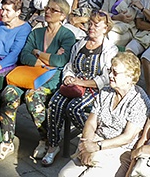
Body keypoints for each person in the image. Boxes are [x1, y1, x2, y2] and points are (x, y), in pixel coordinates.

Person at [0, 0, 77, 162]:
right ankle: (6, 140)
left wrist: (37, 52)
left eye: (54, 10)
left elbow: (61, 61)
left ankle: (46, 138)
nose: (48, 11)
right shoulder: (36, 32)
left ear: (63, 16)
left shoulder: (67, 35)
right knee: (9, 92)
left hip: (51, 79)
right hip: (27, 75)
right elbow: (24, 56)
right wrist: (46, 59)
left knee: (33, 96)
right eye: (47, 8)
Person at [40, 10, 118, 166]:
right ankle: (53, 145)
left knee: (74, 108)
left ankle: (93, 140)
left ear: (105, 28)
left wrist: (82, 83)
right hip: (73, 84)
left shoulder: (110, 49)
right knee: (55, 103)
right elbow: (70, 65)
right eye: (90, 24)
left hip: (94, 89)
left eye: (96, 25)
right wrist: (68, 77)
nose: (91, 27)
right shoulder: (80, 43)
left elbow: (106, 79)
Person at [58, 52, 150, 177]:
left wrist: (97, 146)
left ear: (129, 77)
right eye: (110, 71)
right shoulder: (106, 91)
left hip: (119, 151)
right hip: (96, 141)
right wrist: (86, 144)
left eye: (115, 73)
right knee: (64, 174)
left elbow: (127, 137)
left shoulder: (139, 100)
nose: (110, 76)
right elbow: (91, 122)